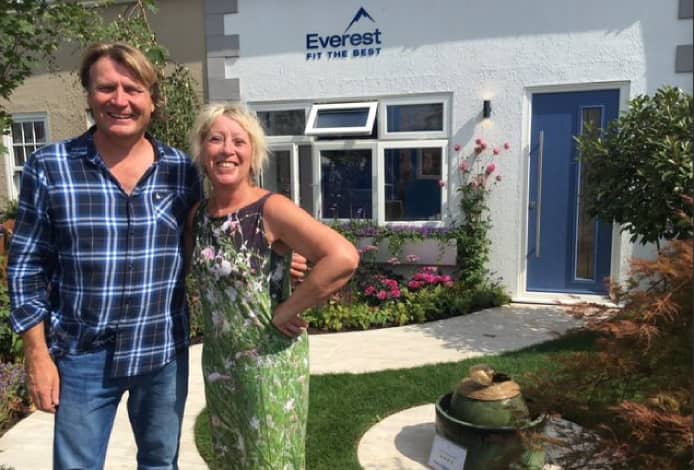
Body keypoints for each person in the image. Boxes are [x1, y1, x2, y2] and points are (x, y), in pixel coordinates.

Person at [7, 42, 307, 470]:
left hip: (161, 353)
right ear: (89, 95)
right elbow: (25, 268)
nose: (120, 100)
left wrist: (272, 258)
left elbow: (215, 234)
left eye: (133, 88)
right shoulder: (50, 167)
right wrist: (37, 356)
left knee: (160, 463)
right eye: (106, 88)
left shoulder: (180, 171)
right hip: (82, 355)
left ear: (151, 100)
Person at [185, 103, 359, 469]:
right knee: (230, 459)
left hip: (267, 360)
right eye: (215, 139)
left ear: (253, 154)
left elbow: (342, 257)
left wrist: (289, 308)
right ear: (202, 151)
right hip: (219, 362)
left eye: (239, 141)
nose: (227, 150)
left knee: (271, 461)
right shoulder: (198, 216)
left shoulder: (270, 208)